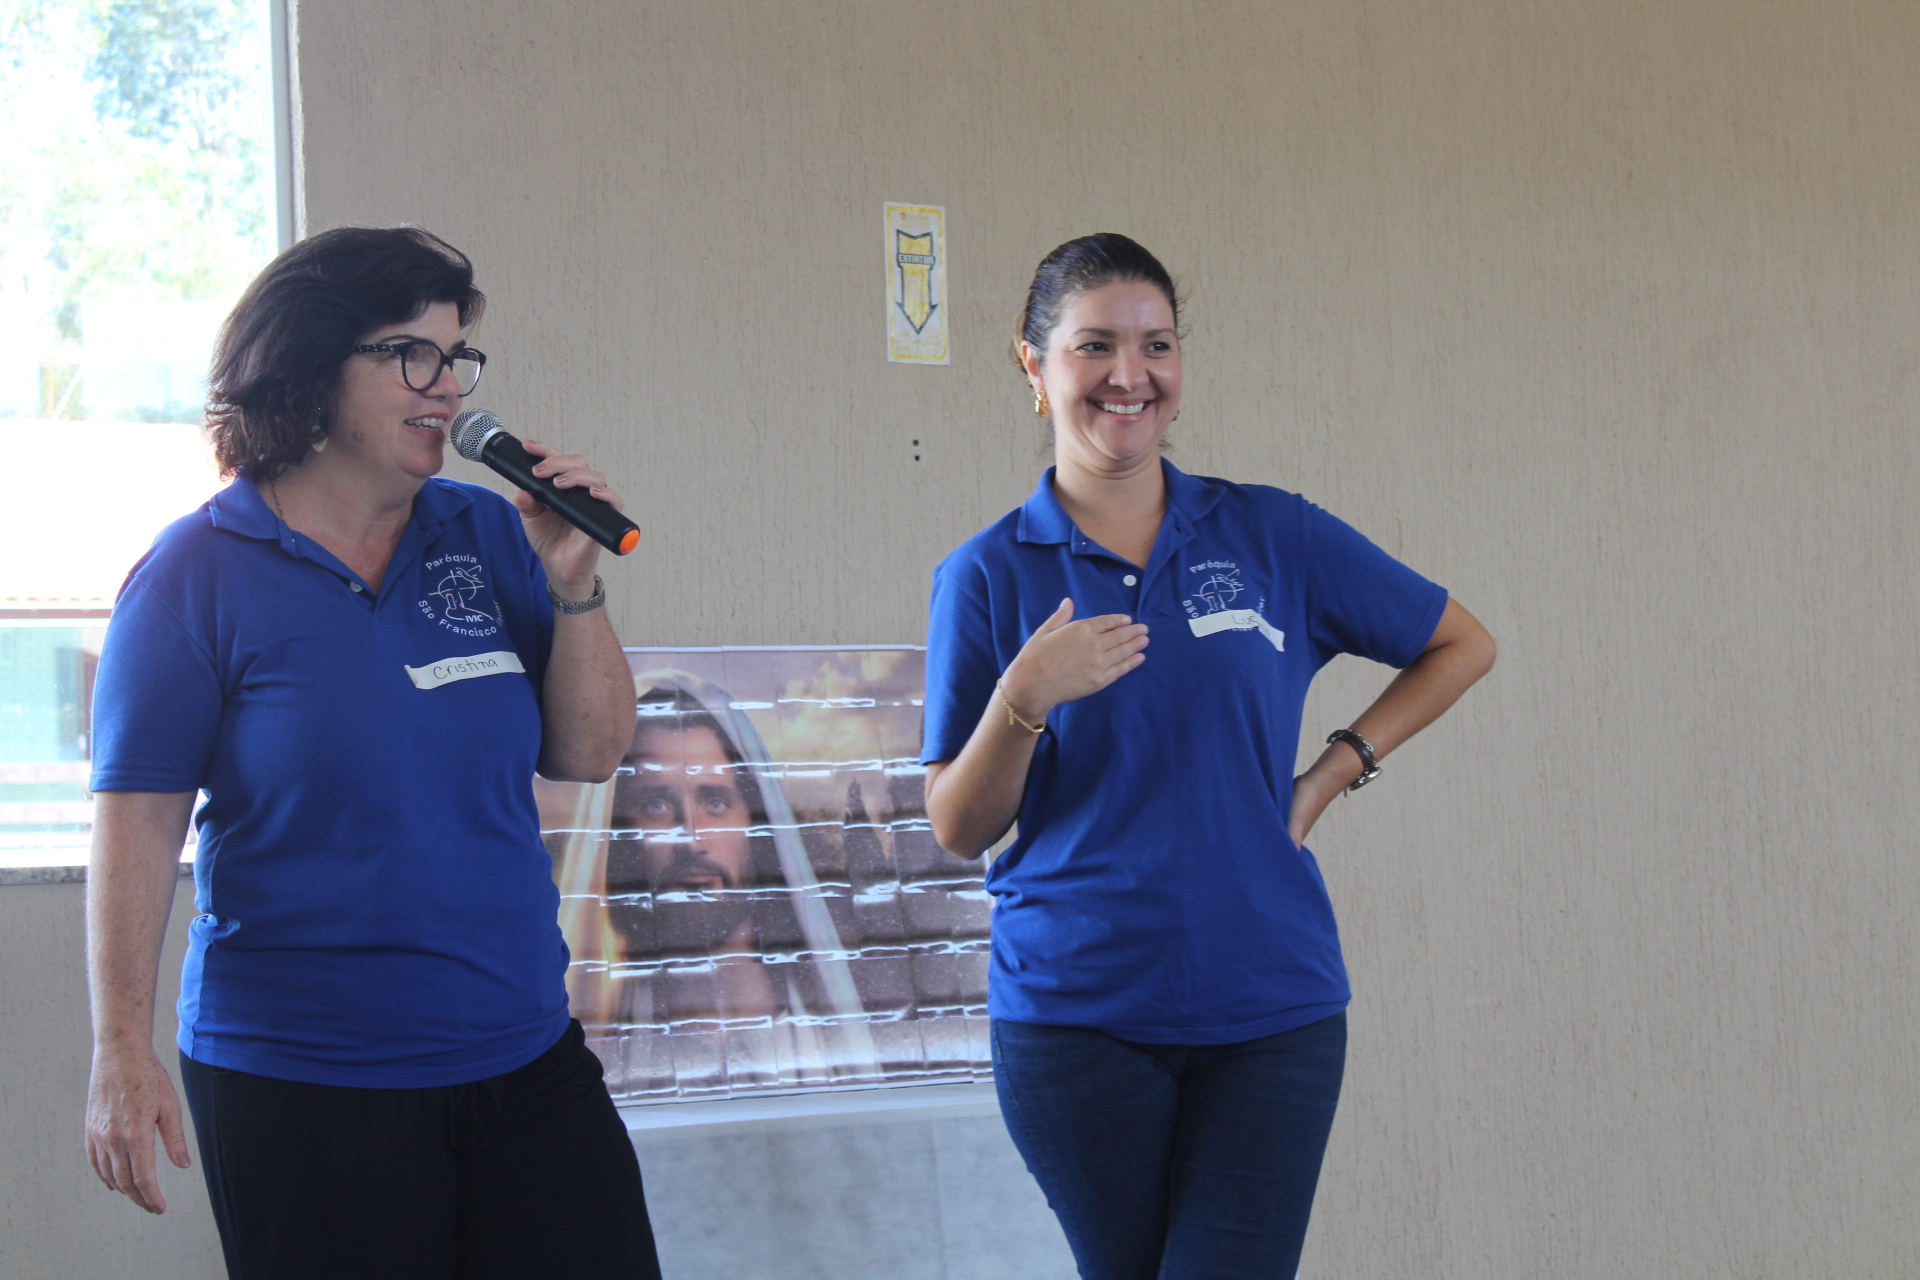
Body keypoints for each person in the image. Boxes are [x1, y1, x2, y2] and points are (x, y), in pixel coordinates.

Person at [81, 226, 662, 1279]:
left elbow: (592, 750)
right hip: (304, 1077)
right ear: (307, 365)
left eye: (456, 357)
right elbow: (139, 825)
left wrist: (573, 579)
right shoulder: (194, 575)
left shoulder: (488, 533)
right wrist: (120, 1046)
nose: (446, 387)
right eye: (410, 354)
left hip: (522, 1049)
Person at [921, 233, 1497, 1279]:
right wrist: (1021, 699)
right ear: (1033, 365)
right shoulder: (988, 573)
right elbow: (960, 827)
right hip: (1076, 1017)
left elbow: (1463, 643)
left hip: (1271, 1006)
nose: (1130, 374)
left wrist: (1330, 774)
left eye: (1157, 344)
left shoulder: (1273, 533)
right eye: (1095, 345)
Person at [555, 672, 881, 1096]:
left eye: (715, 802)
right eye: (656, 805)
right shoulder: (595, 1038)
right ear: (621, 837)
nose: (691, 839)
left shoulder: (832, 1031)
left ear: (755, 822)